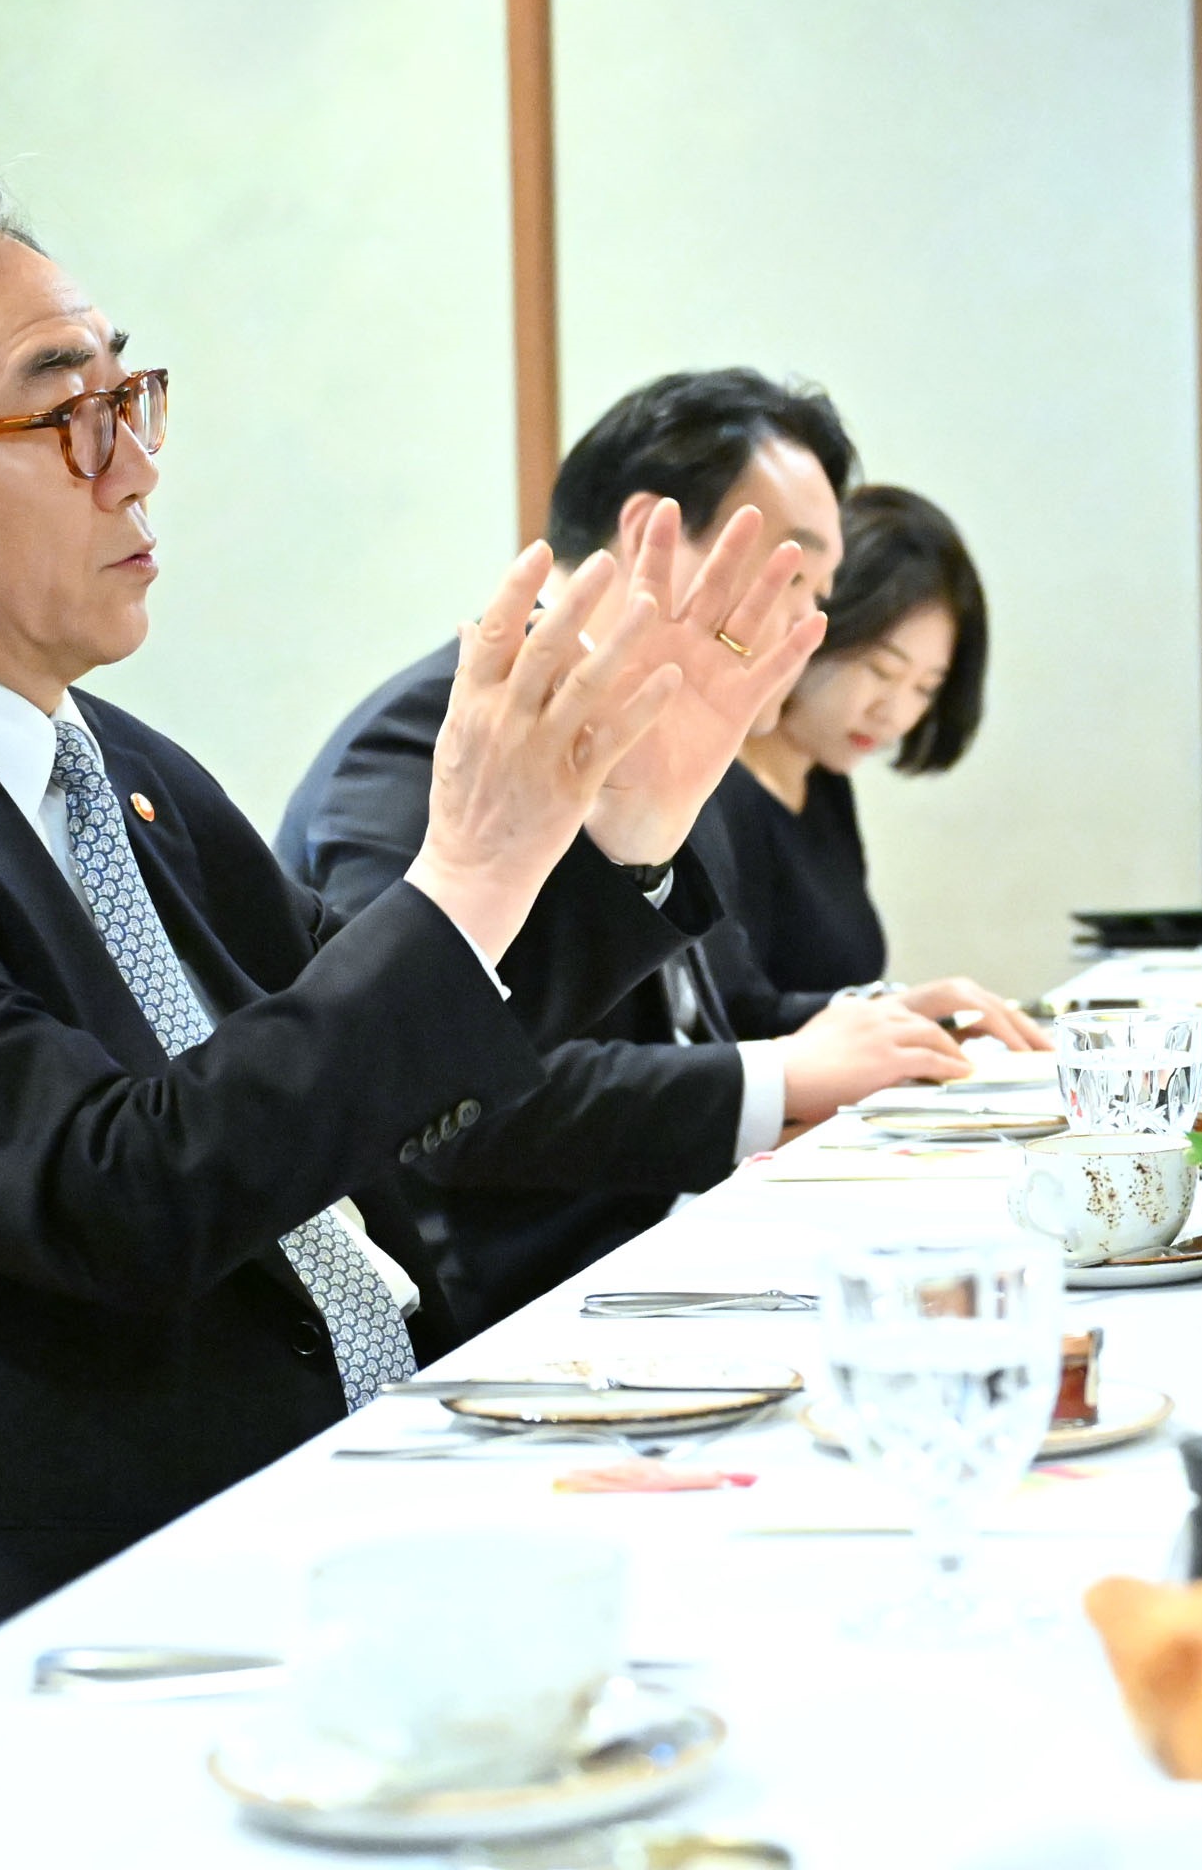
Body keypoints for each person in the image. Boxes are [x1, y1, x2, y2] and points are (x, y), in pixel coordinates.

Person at [0, 148, 824, 1616]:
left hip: (357, 1468)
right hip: (93, 1588)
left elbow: (393, 1080)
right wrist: (468, 867)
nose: (137, 464)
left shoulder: (105, 755)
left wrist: (617, 840)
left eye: (128, 395)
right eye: (64, 417)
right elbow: (125, 1197)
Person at [281, 371, 1033, 1335]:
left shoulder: (668, 733)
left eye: (819, 599)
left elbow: (718, 1011)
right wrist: (778, 1078)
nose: (804, 640)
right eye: (789, 582)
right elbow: (432, 1104)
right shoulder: (423, 747)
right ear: (652, 537)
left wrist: (878, 1022)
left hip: (683, 1251)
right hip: (506, 1310)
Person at [701, 484, 991, 1010]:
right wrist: (894, 1014)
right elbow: (727, 1017)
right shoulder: (715, 792)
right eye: (882, 670)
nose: (896, 713)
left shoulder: (826, 786)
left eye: (926, 688)